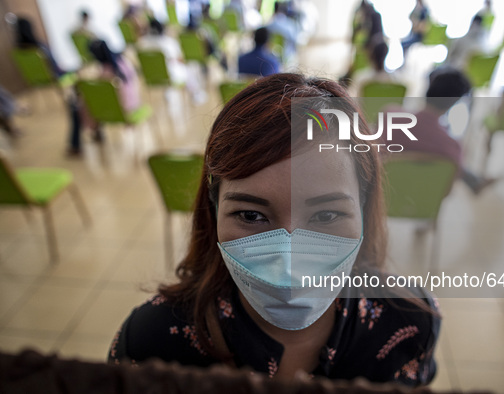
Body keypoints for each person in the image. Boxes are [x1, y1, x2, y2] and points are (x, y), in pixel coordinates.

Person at [108, 73, 440, 385]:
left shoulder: (410, 324)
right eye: (251, 216)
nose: (289, 264)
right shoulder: (150, 343)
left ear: (363, 211)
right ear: (214, 211)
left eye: (325, 216)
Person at [384, 67, 494, 195]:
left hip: (382, 196)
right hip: (423, 203)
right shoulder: (453, 148)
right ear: (454, 102)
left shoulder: (389, 116)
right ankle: (476, 182)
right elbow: (446, 191)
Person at [137, 18, 187, 86]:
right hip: (170, 76)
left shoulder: (141, 43)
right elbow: (180, 58)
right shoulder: (169, 43)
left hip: (149, 76)